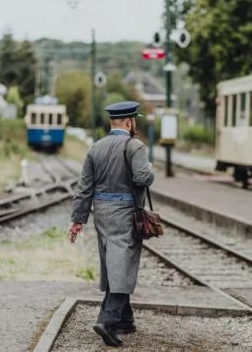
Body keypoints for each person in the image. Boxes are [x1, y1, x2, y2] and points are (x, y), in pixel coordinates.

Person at [68, 101, 154, 347]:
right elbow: (142, 178)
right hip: (124, 212)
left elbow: (84, 188)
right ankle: (107, 321)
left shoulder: (95, 148)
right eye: (134, 121)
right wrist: (150, 171)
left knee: (113, 262)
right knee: (123, 264)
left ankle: (126, 321)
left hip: (101, 213)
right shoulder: (135, 146)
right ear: (129, 122)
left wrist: (77, 220)